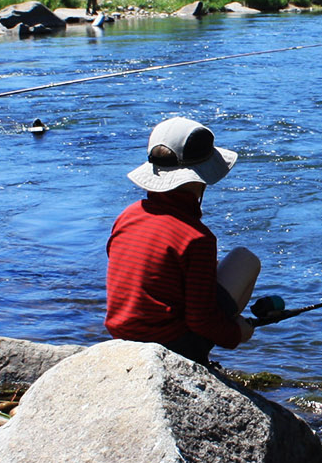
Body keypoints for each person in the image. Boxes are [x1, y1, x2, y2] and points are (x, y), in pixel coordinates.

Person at [105, 116, 260, 363]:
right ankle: (201, 357)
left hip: (122, 338)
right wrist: (237, 333)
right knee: (245, 260)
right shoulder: (196, 237)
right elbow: (200, 319)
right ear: (201, 180)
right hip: (173, 347)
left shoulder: (128, 215)